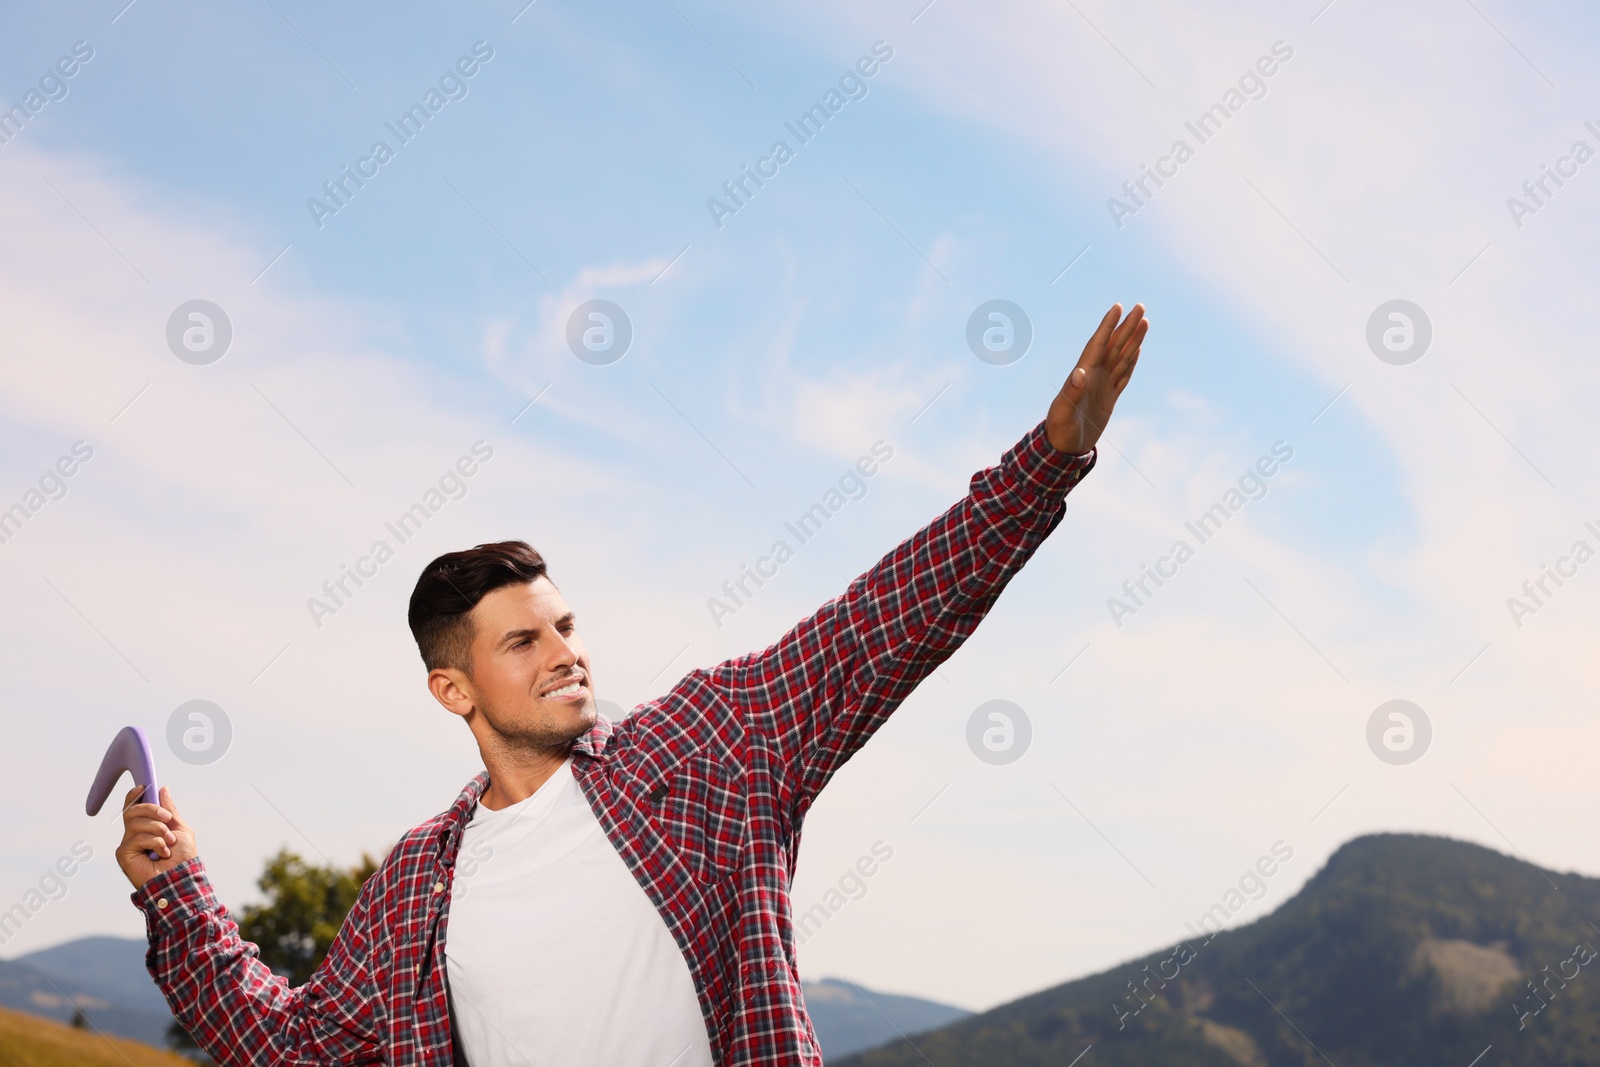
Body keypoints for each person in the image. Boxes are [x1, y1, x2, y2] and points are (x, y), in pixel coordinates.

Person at [116, 304, 1148, 1067]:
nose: (565, 651)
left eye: (566, 624)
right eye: (521, 641)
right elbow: (293, 1047)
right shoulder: (417, 885)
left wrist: (1046, 462)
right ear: (452, 690)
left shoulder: (701, 747)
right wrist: (177, 891)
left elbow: (873, 628)